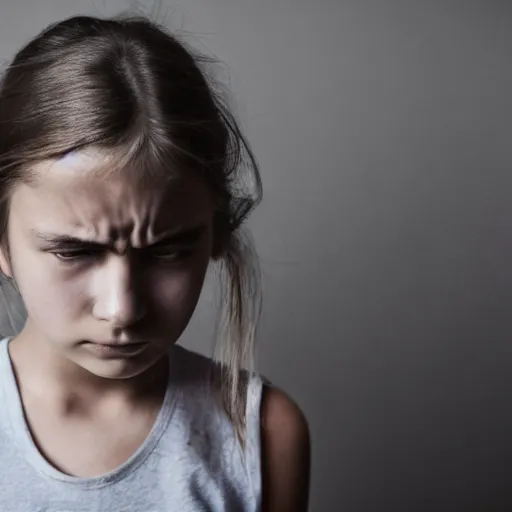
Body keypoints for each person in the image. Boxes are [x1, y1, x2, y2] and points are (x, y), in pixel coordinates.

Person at [0, 14, 310, 511]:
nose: (121, 310)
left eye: (166, 251)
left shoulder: (263, 436)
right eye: (73, 251)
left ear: (216, 233)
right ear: (2, 241)